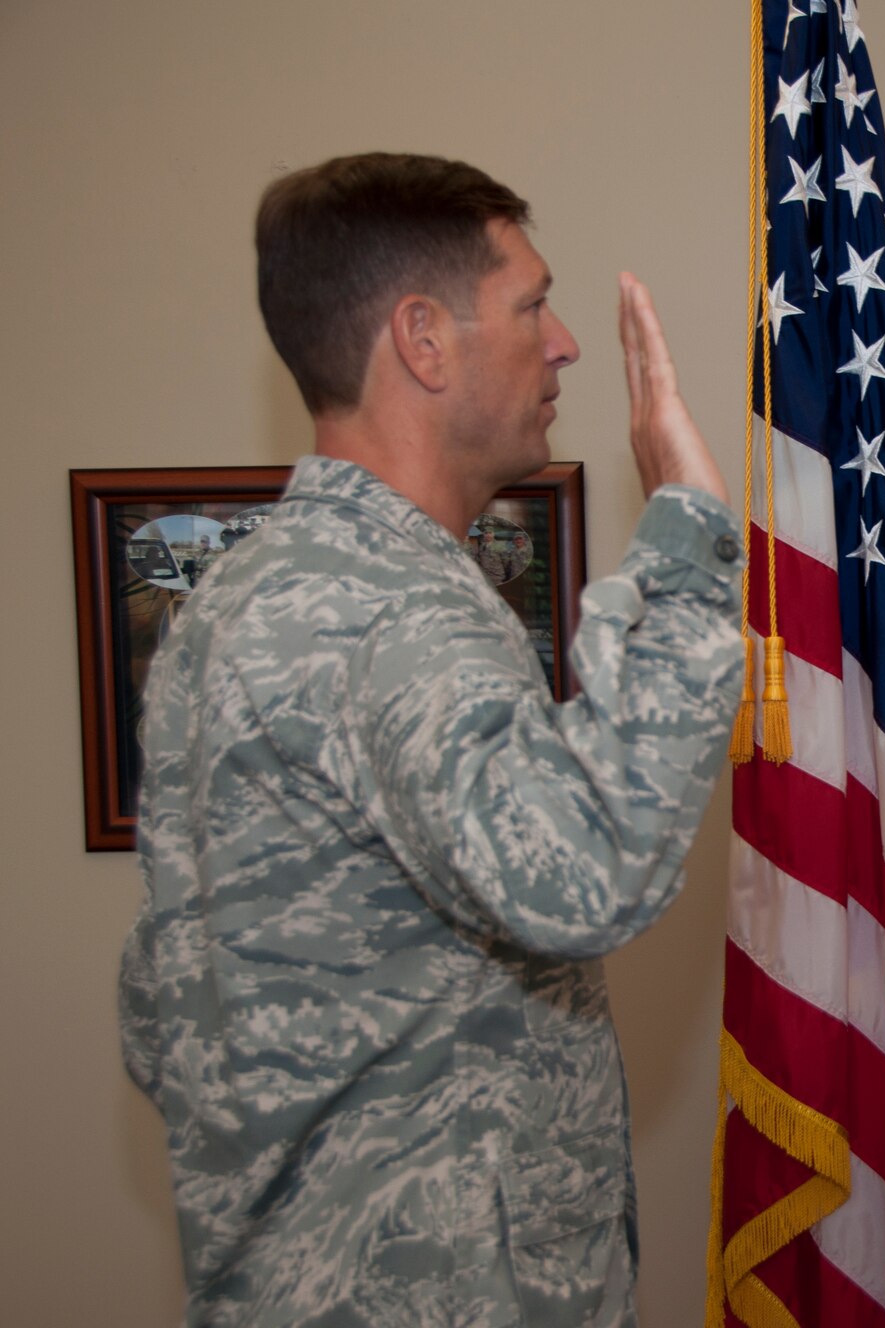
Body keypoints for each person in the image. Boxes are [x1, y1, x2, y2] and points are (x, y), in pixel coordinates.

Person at [117, 153, 741, 1326]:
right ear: (423, 339)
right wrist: (690, 549)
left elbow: (163, 1008)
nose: (561, 343)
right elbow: (585, 865)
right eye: (530, 304)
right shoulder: (372, 604)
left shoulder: (261, 590)